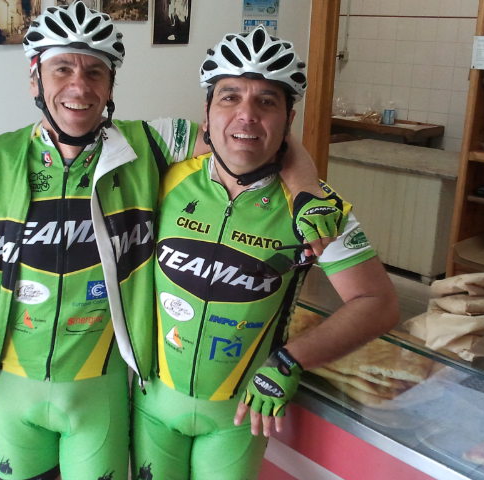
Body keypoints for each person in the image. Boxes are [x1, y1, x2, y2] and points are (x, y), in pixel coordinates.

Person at [0, 3, 348, 479]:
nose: (79, 85)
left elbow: (250, 134)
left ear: (111, 84)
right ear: (35, 77)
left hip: (101, 384)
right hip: (10, 383)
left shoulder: (152, 143)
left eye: (95, 71)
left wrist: (306, 191)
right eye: (62, 69)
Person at [130, 26, 400, 480]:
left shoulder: (316, 210)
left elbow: (378, 302)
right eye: (230, 97)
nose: (247, 115)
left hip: (237, 417)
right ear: (207, 112)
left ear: (288, 119)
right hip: (151, 404)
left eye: (266, 102)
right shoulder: (164, 175)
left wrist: (292, 359)